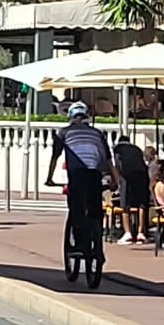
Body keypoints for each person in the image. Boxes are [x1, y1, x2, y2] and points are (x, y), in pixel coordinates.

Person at [48, 101, 114, 256]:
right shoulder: (97, 133)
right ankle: (97, 243)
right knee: (95, 208)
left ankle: (80, 244)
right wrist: (115, 181)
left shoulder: (64, 133)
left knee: (76, 207)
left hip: (77, 174)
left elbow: (55, 157)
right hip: (94, 174)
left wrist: (49, 179)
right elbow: (108, 160)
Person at [112, 135, 151, 245]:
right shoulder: (136, 148)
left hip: (127, 175)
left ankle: (127, 233)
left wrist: (117, 180)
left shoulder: (117, 148)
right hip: (142, 175)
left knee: (125, 205)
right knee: (142, 204)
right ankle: (140, 233)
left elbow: (117, 164)